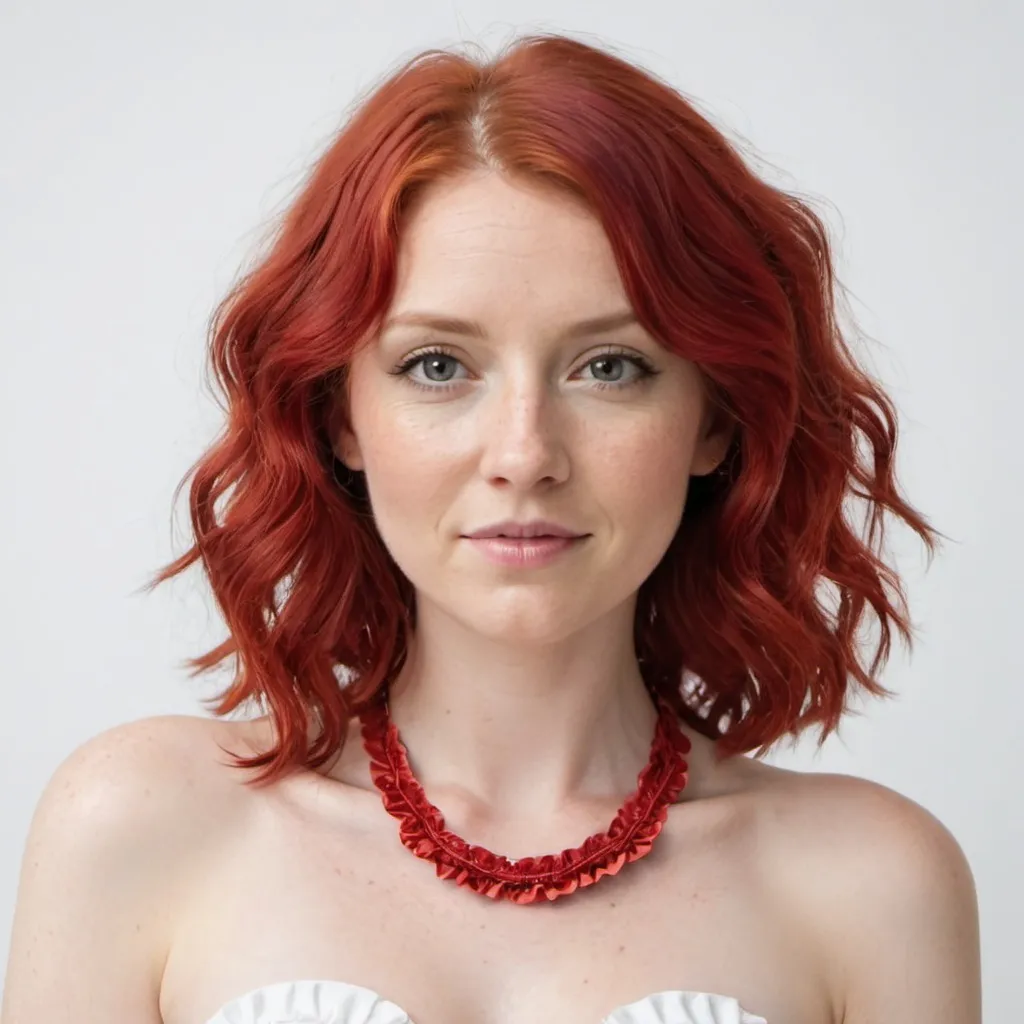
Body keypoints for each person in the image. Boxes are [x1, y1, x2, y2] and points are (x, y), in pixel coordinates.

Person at [1, 31, 981, 1024]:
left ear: (715, 418)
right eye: (437, 364)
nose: (523, 453)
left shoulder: (874, 888)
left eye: (609, 366)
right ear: (340, 414)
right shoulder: (138, 825)